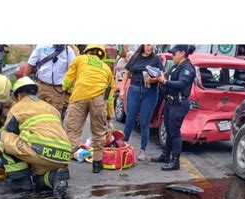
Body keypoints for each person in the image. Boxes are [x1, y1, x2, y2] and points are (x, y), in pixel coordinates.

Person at [0, 77, 71, 199]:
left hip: (41, 151)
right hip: (64, 155)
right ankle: (53, 177)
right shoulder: (50, 107)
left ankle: (21, 182)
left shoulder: (17, 108)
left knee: (3, 137)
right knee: (38, 178)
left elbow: (10, 132)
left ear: (19, 95)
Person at [62, 44, 116, 173]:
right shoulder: (106, 68)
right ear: (102, 54)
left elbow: (68, 79)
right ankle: (97, 164)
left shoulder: (80, 59)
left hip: (79, 97)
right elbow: (110, 94)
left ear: (87, 51)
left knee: (73, 133)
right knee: (98, 134)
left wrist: (65, 89)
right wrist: (108, 114)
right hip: (98, 100)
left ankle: (64, 168)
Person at [152, 45, 196, 171]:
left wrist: (164, 82)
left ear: (182, 53)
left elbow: (182, 84)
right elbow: (167, 77)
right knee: (168, 129)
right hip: (170, 103)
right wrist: (159, 77)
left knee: (175, 132)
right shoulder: (176, 66)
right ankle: (166, 155)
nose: (172, 56)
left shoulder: (187, 68)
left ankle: (175, 161)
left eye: (174, 53)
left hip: (179, 104)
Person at [120, 44, 163, 161]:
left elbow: (161, 76)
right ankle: (122, 145)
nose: (150, 47)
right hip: (134, 90)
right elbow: (127, 73)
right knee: (130, 119)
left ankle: (142, 150)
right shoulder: (135, 57)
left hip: (150, 92)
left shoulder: (156, 59)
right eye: (148, 44)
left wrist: (152, 79)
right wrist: (123, 89)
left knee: (145, 122)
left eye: (152, 45)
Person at [23, 44, 76, 115]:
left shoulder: (69, 52)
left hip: (57, 91)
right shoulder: (42, 46)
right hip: (39, 87)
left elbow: (73, 72)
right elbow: (30, 65)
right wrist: (23, 84)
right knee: (34, 113)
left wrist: (68, 91)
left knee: (54, 116)